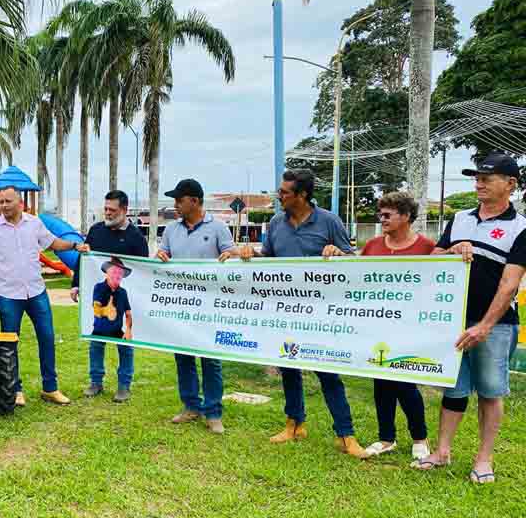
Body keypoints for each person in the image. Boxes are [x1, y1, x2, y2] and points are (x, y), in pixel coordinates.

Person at [235, 169, 367, 459]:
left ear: (302, 195)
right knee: (289, 369)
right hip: (286, 313)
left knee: (328, 374)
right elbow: (268, 259)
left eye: (284, 193)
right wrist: (250, 255)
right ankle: (294, 424)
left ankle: (345, 435)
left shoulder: (329, 221)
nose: (278, 196)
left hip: (321, 316)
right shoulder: (276, 223)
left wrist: (339, 253)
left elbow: (352, 262)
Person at [414, 153, 526, 484]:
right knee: (454, 388)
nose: (478, 183)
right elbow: (433, 258)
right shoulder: (460, 218)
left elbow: (509, 284)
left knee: (490, 392)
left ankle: (483, 459)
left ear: (510, 184)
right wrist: (452, 249)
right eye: (476, 177)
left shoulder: (520, 228)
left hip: (495, 326)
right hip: (453, 322)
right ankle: (442, 452)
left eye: (486, 178)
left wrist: (484, 326)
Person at [0, 186, 89, 406]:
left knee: (47, 338)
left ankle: (50, 388)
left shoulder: (34, 224)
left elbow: (54, 243)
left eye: (7, 201)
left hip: (36, 292)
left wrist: (76, 245)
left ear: (20, 203)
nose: (3, 205)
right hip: (9, 296)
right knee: (10, 344)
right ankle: (16, 389)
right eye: (0, 202)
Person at [159, 178, 245, 434]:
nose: (175, 204)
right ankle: (190, 407)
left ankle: (213, 412)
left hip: (210, 307)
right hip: (181, 305)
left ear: (194, 201)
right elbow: (162, 257)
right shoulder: (171, 230)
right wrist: (161, 258)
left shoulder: (218, 228)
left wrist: (232, 255)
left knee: (210, 360)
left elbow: (232, 255)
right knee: (183, 357)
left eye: (178, 200)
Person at [359, 192, 435, 460]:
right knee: (381, 383)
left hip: (410, 327)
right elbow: (356, 279)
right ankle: (386, 437)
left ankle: (420, 437)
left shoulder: (427, 248)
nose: (382, 220)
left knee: (404, 382)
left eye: (388, 215)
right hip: (378, 326)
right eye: (381, 214)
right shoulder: (372, 246)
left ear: (405, 216)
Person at [71, 190, 149, 402]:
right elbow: (84, 260)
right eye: (105, 209)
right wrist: (76, 284)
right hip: (99, 298)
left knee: (124, 344)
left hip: (124, 301)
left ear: (124, 210)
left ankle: (124, 385)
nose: (107, 213)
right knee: (96, 341)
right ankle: (96, 382)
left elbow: (143, 272)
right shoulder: (96, 231)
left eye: (112, 210)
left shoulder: (136, 238)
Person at [91, 256, 133, 339]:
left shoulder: (123, 292)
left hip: (117, 331)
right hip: (99, 330)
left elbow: (128, 314)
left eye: (120, 273)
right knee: (95, 349)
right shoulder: (99, 287)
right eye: (114, 272)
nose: (117, 275)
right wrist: (106, 311)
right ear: (107, 273)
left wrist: (128, 330)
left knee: (127, 349)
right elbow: (96, 309)